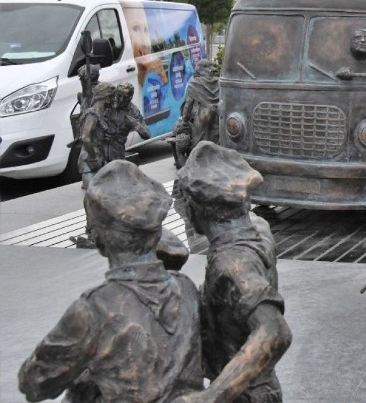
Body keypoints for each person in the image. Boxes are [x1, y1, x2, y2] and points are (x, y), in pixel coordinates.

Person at [19, 160, 203, 402]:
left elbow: (34, 384)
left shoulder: (94, 310)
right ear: (158, 234)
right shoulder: (186, 288)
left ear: (97, 238)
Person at [175, 141, 291, 402]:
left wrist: (212, 396)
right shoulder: (257, 231)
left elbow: (275, 331)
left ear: (194, 212)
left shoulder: (231, 263)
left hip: (242, 393)